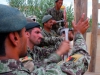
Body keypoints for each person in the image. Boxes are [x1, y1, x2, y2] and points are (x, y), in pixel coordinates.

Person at [21, 13, 91, 75]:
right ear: (27, 34)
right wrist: (78, 34)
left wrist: (64, 41)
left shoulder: (35, 50)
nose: (40, 35)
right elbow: (43, 70)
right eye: (37, 32)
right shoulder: (21, 56)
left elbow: (51, 52)